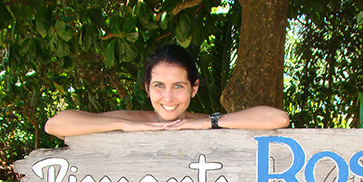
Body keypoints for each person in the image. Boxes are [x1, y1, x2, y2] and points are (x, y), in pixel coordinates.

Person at [45, 44, 290, 137]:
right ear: (147, 88)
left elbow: (278, 118)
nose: (168, 97)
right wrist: (125, 126)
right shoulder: (133, 120)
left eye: (178, 86)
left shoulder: (202, 122)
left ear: (194, 88)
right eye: (159, 86)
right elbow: (55, 125)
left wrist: (208, 123)